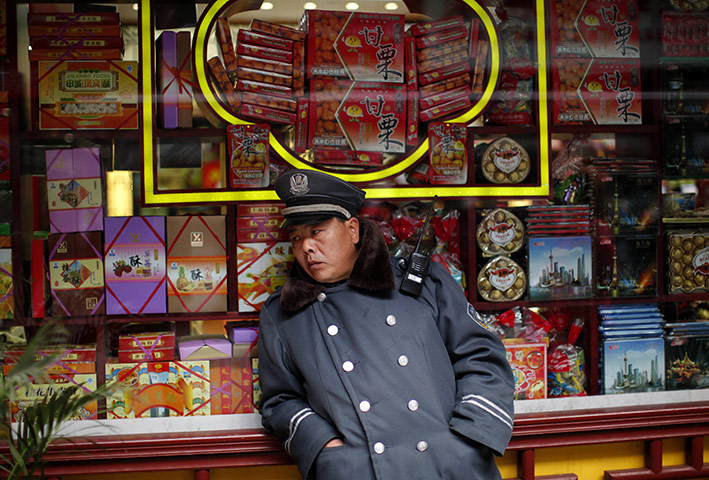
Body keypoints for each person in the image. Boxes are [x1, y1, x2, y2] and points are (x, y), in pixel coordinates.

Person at [257, 168, 515, 480]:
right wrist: (328, 450)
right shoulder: (283, 314)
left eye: (317, 232)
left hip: (450, 467)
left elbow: (483, 358)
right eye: (297, 237)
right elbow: (280, 400)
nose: (306, 247)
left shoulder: (421, 283)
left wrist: (468, 439)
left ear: (352, 230)